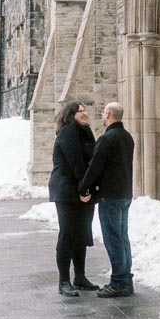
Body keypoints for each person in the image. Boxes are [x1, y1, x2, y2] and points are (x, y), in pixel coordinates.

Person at [78, 102, 136, 298]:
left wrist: (83, 187)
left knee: (114, 241)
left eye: (104, 113)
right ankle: (126, 280)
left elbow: (95, 167)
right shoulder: (127, 137)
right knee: (122, 238)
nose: (103, 116)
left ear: (109, 114)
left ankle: (118, 282)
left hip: (110, 196)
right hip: (124, 194)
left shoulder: (107, 138)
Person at [48, 99, 99, 297]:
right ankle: (63, 281)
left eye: (85, 110)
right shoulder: (68, 132)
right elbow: (76, 163)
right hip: (67, 191)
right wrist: (83, 189)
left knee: (81, 233)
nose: (85, 113)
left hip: (81, 189)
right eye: (80, 111)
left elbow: (92, 160)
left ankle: (80, 276)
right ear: (71, 115)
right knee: (68, 234)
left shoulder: (84, 131)